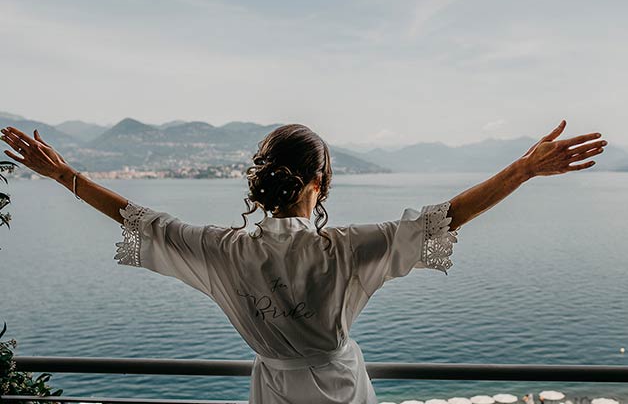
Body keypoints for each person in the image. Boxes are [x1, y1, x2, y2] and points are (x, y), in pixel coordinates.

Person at [0, 121, 606, 403]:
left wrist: (62, 175)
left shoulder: (221, 250)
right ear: (319, 182)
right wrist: (522, 170)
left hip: (271, 391)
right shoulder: (345, 250)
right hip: (343, 392)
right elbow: (440, 222)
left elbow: (139, 220)